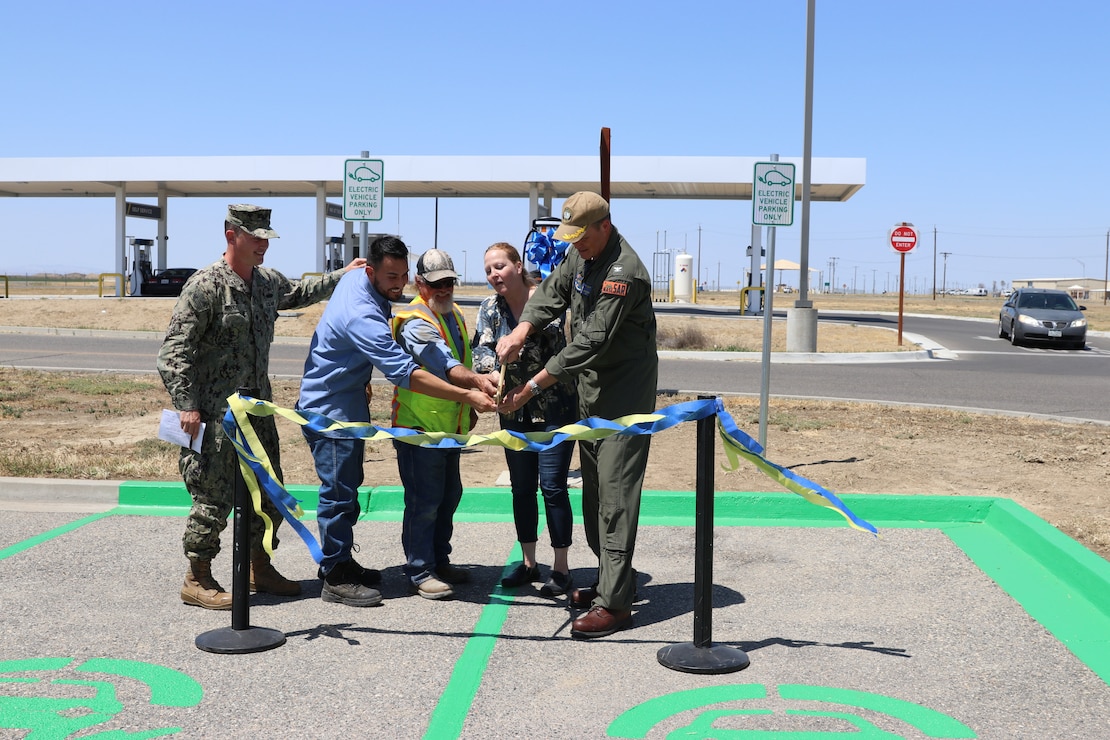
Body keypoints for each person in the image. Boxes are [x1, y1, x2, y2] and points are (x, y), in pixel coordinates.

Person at [158, 204, 366, 610]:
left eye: (265, 238)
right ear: (230, 235)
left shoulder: (267, 282)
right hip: (216, 418)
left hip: (258, 414)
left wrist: (344, 274)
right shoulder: (204, 287)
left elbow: (301, 293)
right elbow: (173, 352)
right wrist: (187, 406)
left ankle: (259, 567)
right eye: (255, 237)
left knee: (266, 495)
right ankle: (197, 577)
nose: (262, 245)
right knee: (213, 498)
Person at [297, 236, 496, 607]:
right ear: (371, 270)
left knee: (350, 491)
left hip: (350, 405)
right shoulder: (365, 312)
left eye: (403, 274)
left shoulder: (358, 276)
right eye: (391, 276)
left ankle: (344, 562)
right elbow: (405, 372)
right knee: (339, 496)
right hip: (329, 411)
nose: (398, 284)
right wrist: (468, 394)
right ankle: (336, 576)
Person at [496, 191, 658, 639]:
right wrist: (523, 329)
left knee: (615, 499)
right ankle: (608, 581)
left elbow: (591, 342)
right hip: (590, 394)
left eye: (582, 236)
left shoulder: (625, 273)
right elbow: (551, 292)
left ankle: (616, 604)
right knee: (593, 496)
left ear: (604, 225)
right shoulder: (581, 254)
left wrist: (531, 387)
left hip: (623, 401)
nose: (576, 245)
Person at [472, 242, 578, 596]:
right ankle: (530, 562)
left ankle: (561, 568)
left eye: (500, 266)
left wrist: (529, 387)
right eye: (488, 270)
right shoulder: (489, 308)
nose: (493, 275)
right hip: (513, 411)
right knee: (522, 489)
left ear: (518, 266)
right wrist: (489, 381)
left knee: (552, 487)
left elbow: (564, 356)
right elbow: (482, 352)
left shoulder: (545, 300)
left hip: (553, 408)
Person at [392, 249, 499, 600]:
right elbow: (441, 362)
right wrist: (474, 386)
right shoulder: (414, 320)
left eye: (449, 282)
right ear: (419, 283)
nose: (444, 289)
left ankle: (439, 559)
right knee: (424, 501)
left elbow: (462, 357)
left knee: (448, 496)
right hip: (419, 428)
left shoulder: (452, 313)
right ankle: (420, 569)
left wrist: (467, 406)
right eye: (436, 284)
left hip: (448, 429)